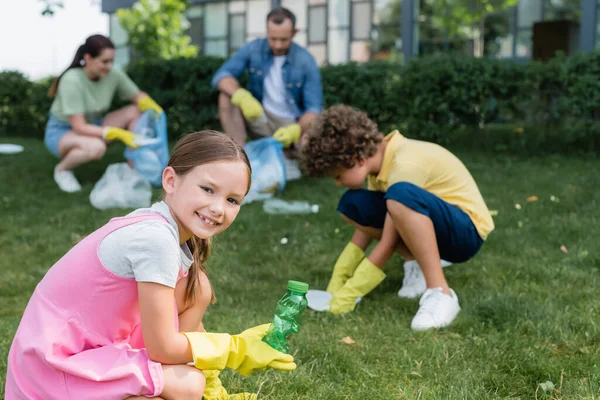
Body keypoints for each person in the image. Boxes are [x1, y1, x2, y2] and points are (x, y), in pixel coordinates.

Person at [6, 131, 295, 400]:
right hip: (51, 369)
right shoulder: (155, 238)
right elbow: (163, 348)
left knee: (198, 289)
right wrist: (235, 349)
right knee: (186, 384)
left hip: (85, 347)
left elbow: (183, 335)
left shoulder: (167, 232)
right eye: (208, 189)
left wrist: (213, 385)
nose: (219, 208)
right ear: (170, 180)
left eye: (232, 199)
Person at [300, 105, 495, 331]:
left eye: (338, 175)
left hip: (465, 234)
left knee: (399, 196)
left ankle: (440, 292)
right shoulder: (380, 165)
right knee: (352, 205)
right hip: (434, 224)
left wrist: (353, 289)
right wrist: (340, 274)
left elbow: (388, 241)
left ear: (356, 158)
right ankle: (418, 265)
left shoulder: (404, 165)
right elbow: (369, 228)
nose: (337, 182)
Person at [45, 34, 164, 193]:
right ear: (88, 58)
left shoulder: (113, 74)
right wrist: (117, 133)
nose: (109, 66)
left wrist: (152, 106)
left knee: (137, 111)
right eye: (104, 61)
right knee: (96, 147)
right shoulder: (72, 80)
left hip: (94, 124)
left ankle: (134, 168)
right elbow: (79, 127)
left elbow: (137, 97)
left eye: (112, 61)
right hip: (63, 131)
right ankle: (62, 170)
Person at [212, 7, 323, 149]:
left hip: (290, 124)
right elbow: (223, 75)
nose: (278, 45)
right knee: (227, 96)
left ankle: (294, 160)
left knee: (313, 129)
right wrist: (242, 96)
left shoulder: (305, 60)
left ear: (294, 33)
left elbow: (314, 108)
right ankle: (239, 154)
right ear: (267, 31)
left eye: (284, 39)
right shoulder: (253, 48)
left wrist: (296, 130)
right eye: (273, 38)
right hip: (260, 117)